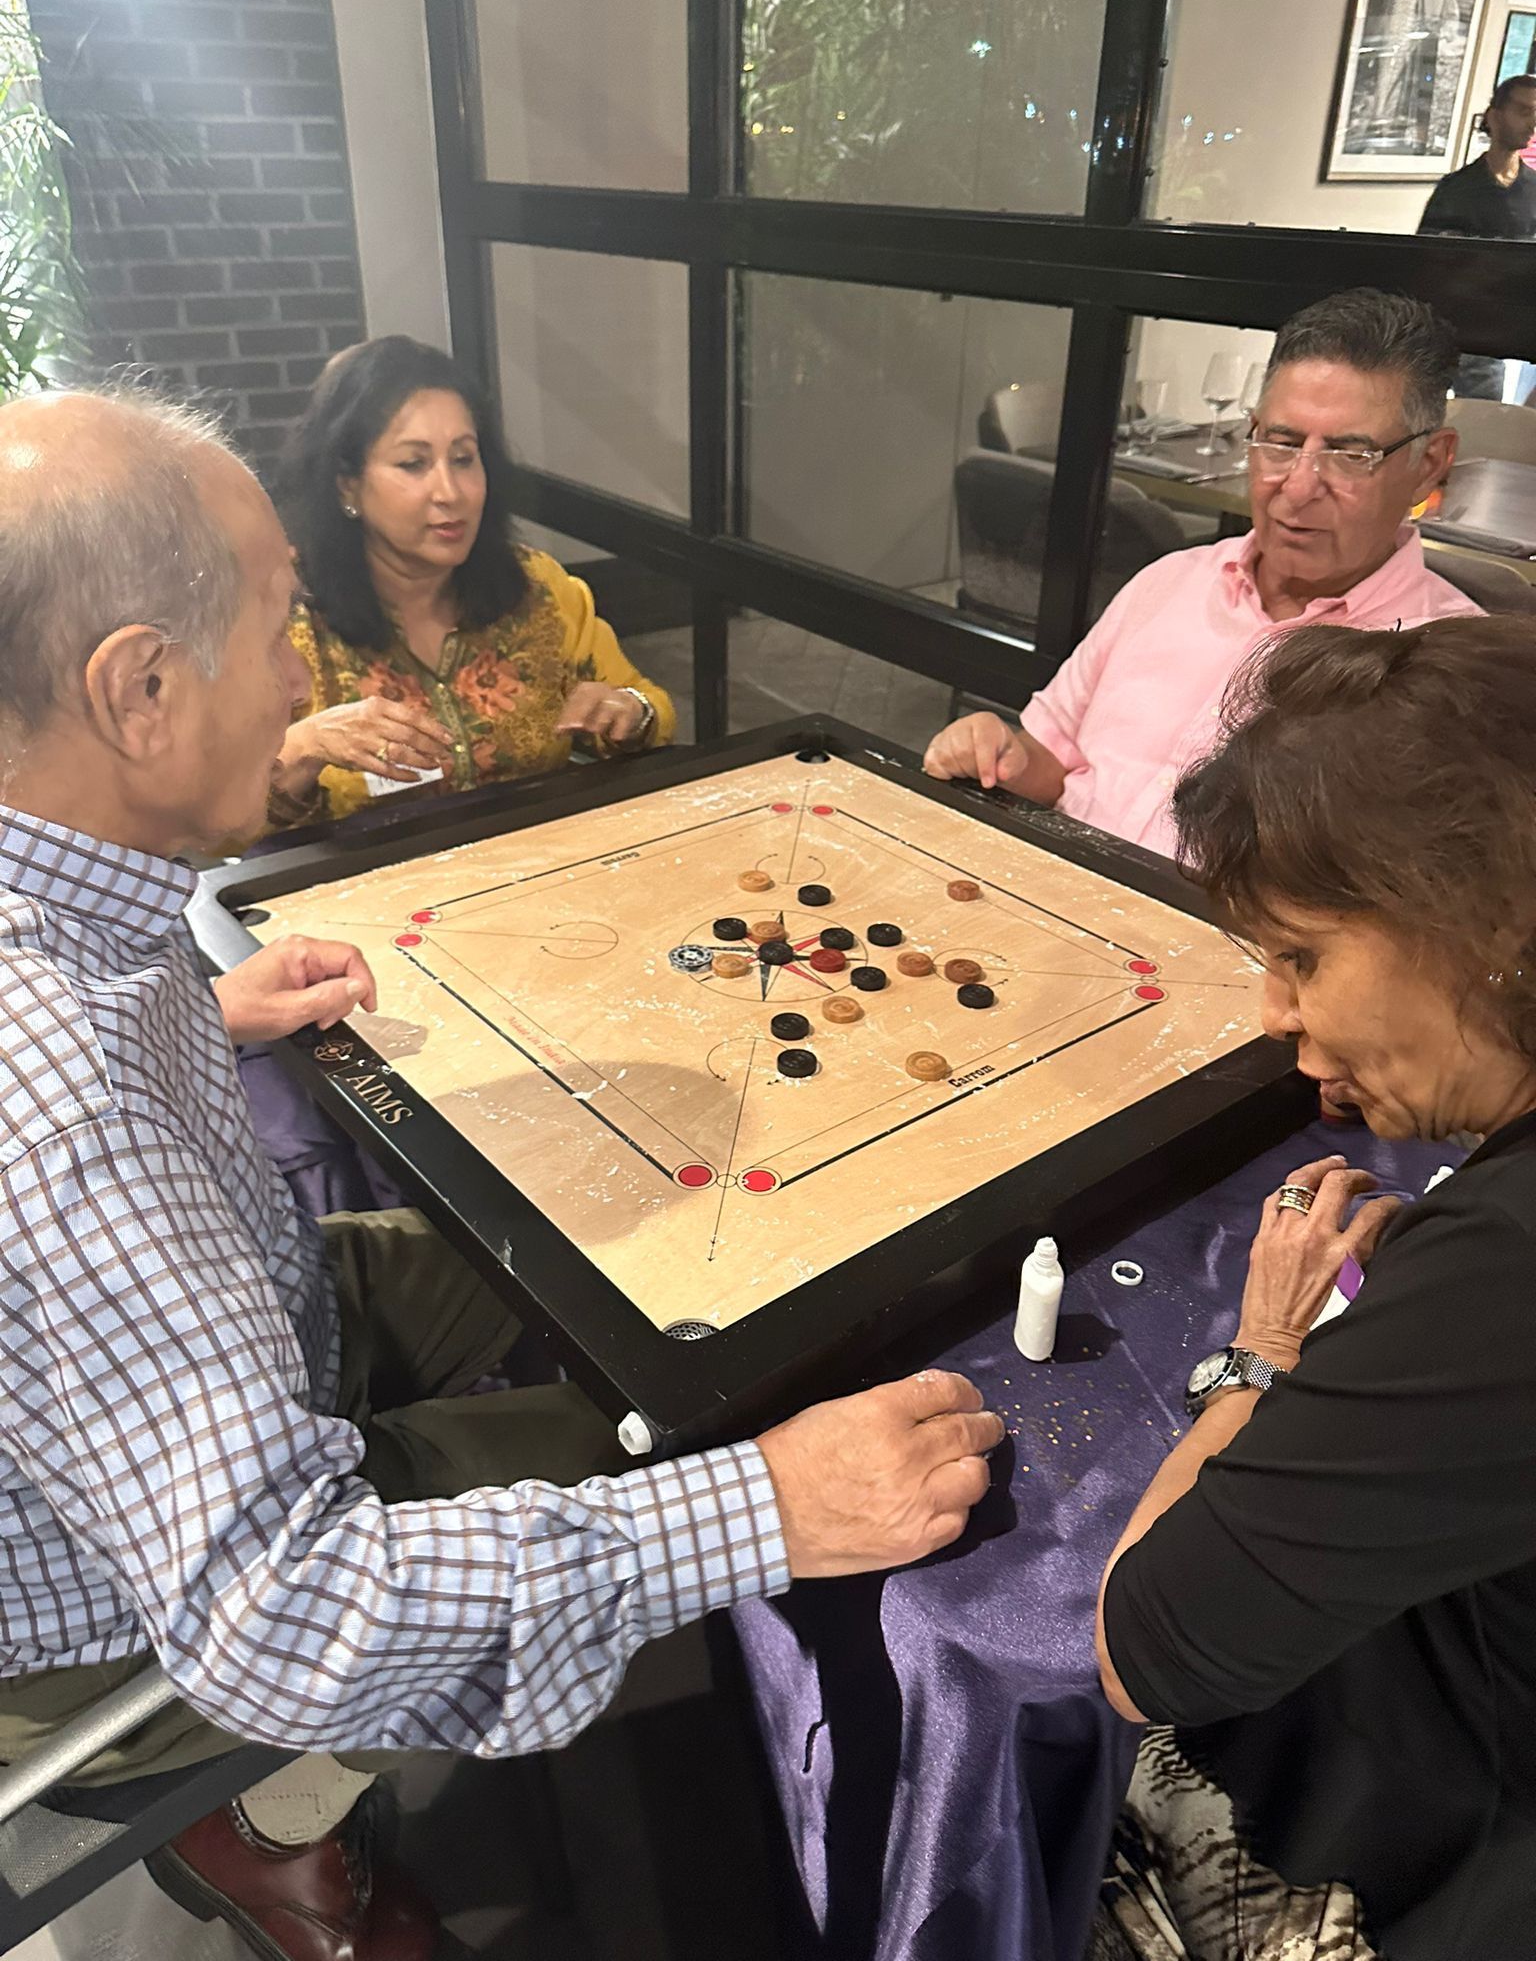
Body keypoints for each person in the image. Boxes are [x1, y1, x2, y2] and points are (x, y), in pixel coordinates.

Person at [0, 389, 1003, 1961]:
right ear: (136, 689)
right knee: (706, 1432)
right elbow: (284, 1615)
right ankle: (281, 1820)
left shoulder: (65, 923)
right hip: (119, 1616)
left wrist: (198, 1008)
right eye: (275, 636)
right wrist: (763, 1505)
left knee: (591, 1225)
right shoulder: (59, 1106)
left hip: (254, 1304)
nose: (292, 687)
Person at [1090, 616, 1536, 1961]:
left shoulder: (1509, 1270)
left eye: (1302, 957)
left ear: (1481, 927)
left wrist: (1265, 1347)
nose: (1277, 1015)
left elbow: (1139, 1642)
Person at [922, 290, 1480, 862]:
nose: (1298, 487)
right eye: (1282, 443)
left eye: (1349, 455)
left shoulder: (1451, 671)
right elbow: (1052, 765)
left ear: (1429, 465)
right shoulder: (1171, 581)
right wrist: (1002, 754)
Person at [266, 335, 676, 831]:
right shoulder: (285, 620)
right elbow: (228, 823)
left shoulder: (537, 588)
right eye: (413, 464)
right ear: (347, 484)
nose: (451, 492)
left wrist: (630, 714)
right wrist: (307, 745)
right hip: (365, 892)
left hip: (543, 869)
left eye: (463, 459)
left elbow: (647, 707)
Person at [1417, 73, 1536, 398]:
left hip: (1516, 322)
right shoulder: (1457, 190)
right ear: (1494, 117)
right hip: (1463, 328)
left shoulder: (1533, 189)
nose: (1532, 123)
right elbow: (1429, 260)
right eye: (1523, 112)